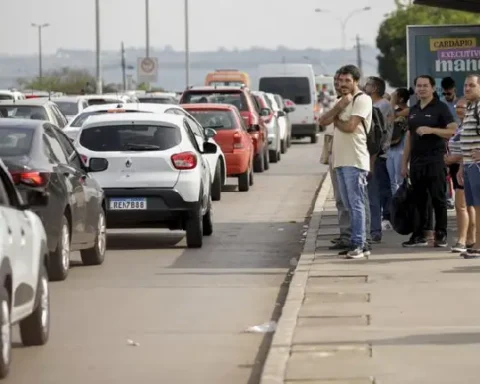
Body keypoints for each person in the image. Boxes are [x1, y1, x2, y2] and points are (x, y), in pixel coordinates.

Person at [319, 65, 372, 259]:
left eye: (347, 81)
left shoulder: (362, 99)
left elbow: (350, 126)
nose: (342, 84)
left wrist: (335, 119)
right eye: (340, 81)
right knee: (347, 204)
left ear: (356, 81)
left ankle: (360, 244)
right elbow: (322, 121)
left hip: (355, 159)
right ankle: (353, 241)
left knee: (357, 203)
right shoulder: (341, 101)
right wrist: (339, 107)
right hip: (339, 160)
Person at [401, 75, 457, 248]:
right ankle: (419, 235)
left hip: (435, 160)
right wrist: (404, 163)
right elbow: (409, 137)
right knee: (418, 200)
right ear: (415, 89)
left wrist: (431, 130)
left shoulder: (440, 108)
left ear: (433, 88)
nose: (422, 88)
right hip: (417, 162)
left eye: (425, 85)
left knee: (438, 199)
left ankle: (441, 234)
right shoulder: (414, 109)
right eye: (419, 86)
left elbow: (453, 130)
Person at [444, 97, 476, 253]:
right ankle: (471, 239)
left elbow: (470, 148)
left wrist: (455, 158)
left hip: (466, 166)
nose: (459, 110)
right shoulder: (460, 126)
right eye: (457, 107)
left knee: (462, 206)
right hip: (457, 168)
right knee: (466, 206)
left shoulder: (471, 126)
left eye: (463, 107)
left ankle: (463, 240)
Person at [364, 76, 394, 240]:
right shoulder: (376, 105)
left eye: (367, 84)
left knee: (374, 195)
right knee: (373, 194)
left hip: (376, 155)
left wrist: (372, 159)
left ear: (374, 88)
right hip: (374, 155)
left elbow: (375, 135)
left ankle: (375, 230)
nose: (364, 87)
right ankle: (372, 228)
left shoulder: (381, 106)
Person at [457, 74, 480, 258]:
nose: (467, 89)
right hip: (469, 164)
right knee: (473, 204)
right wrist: (461, 166)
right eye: (465, 86)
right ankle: (475, 242)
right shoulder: (471, 107)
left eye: (471, 85)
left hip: (477, 165)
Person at [387, 88, 410, 194]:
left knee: (401, 180)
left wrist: (391, 100)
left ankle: (403, 205)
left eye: (395, 96)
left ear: (400, 99)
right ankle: (395, 205)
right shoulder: (395, 111)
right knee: (392, 181)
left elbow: (391, 117)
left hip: (401, 149)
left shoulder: (409, 111)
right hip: (391, 149)